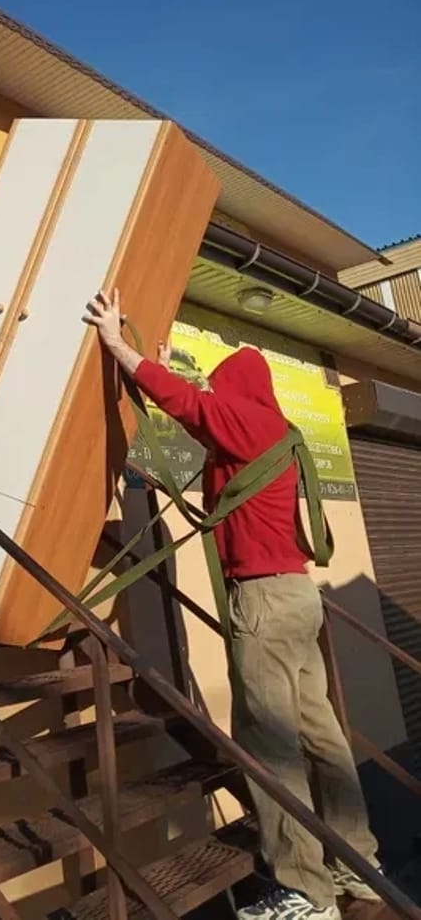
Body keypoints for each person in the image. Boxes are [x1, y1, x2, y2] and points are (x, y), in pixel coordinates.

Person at [84, 288, 380, 920]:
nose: (217, 399)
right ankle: (358, 863)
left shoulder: (248, 421)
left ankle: (304, 889)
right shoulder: (273, 429)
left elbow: (193, 405)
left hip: (265, 606)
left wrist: (117, 344)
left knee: (269, 745)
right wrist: (158, 368)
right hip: (298, 598)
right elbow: (207, 432)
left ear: (236, 391)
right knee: (321, 736)